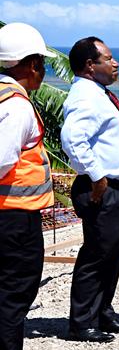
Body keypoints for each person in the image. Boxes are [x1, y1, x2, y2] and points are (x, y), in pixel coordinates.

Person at [61, 37, 119, 343]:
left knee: (113, 255)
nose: (115, 63)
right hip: (105, 191)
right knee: (96, 256)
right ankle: (81, 323)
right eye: (107, 59)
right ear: (89, 66)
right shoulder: (86, 97)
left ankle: (102, 312)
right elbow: (72, 139)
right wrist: (98, 178)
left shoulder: (99, 94)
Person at [0, 22, 55, 350]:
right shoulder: (17, 106)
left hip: (10, 216)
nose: (45, 71)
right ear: (32, 64)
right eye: (42, 63)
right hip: (14, 220)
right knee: (13, 298)